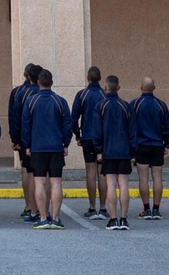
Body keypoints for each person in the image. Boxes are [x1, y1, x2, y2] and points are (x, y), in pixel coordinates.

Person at [20, 69, 72, 230]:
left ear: (37, 82)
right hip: (56, 147)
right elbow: (67, 125)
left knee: (39, 182)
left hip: (38, 147)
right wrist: (65, 144)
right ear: (52, 82)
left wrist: (27, 145)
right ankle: (55, 218)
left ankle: (43, 218)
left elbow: (26, 126)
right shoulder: (60, 101)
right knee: (56, 182)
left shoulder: (31, 101)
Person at [128, 77, 169, 221]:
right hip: (157, 145)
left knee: (143, 178)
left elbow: (131, 127)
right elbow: (167, 126)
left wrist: (131, 147)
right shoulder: (161, 105)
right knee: (157, 177)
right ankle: (156, 209)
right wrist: (166, 143)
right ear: (154, 88)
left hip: (141, 145)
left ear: (141, 88)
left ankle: (146, 209)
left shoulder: (135, 104)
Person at [96, 75, 134, 230]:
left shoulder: (100, 106)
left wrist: (98, 149)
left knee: (111, 183)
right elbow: (133, 131)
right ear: (118, 88)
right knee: (124, 184)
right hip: (124, 150)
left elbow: (97, 131)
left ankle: (113, 219)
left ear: (105, 88)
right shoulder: (126, 106)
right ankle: (124, 219)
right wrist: (133, 152)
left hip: (108, 150)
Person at [71, 66, 108, 221]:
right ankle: (104, 207)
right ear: (100, 78)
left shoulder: (82, 94)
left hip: (87, 137)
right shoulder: (104, 95)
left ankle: (92, 207)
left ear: (88, 78)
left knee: (90, 172)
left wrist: (78, 136)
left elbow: (74, 118)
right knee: (103, 173)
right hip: (103, 138)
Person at [8, 63, 41, 223]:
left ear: (25, 75)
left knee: (27, 172)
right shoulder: (44, 93)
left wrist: (15, 139)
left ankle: (29, 206)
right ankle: (41, 209)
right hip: (42, 140)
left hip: (24, 139)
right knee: (43, 175)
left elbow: (14, 117)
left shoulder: (18, 92)